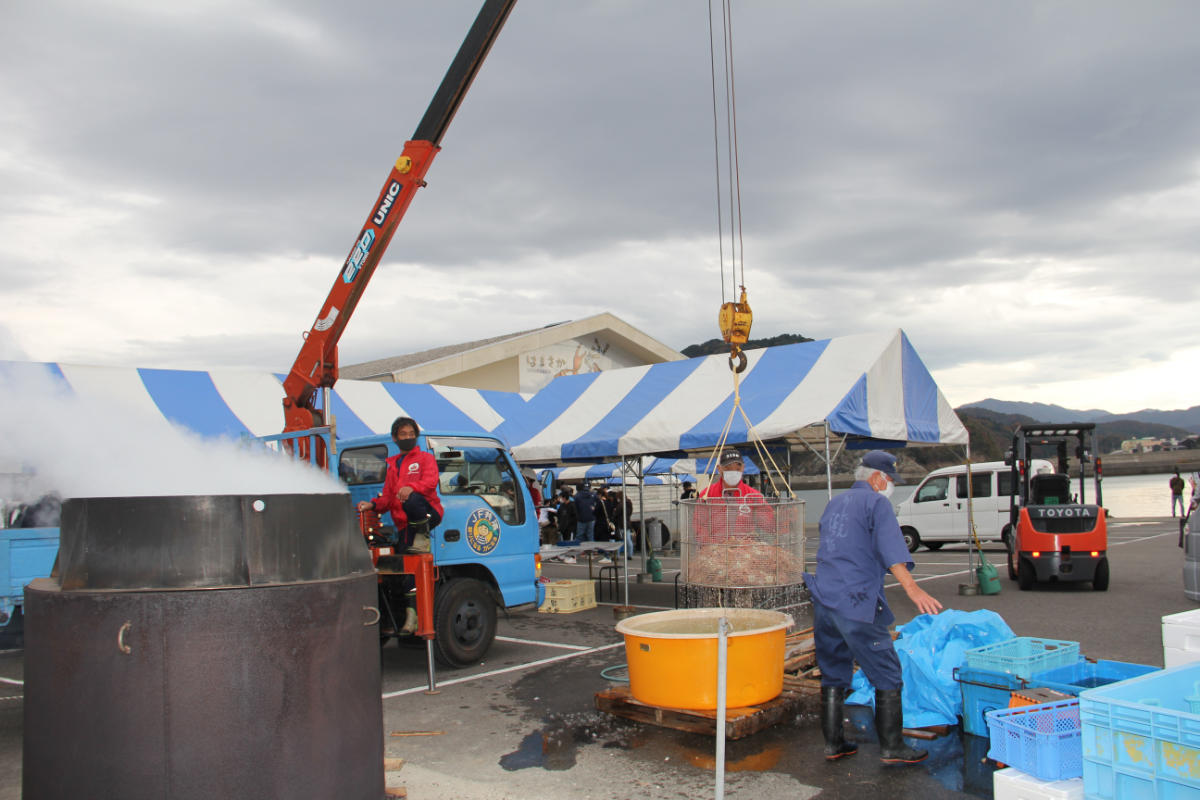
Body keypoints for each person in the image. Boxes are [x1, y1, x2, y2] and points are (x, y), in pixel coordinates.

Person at [803, 450, 943, 764]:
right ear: (877, 477)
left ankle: (834, 744)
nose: (890, 486)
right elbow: (891, 548)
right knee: (887, 671)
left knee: (834, 672)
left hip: (825, 601)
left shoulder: (834, 503)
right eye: (890, 479)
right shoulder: (877, 503)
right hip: (856, 603)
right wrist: (913, 589)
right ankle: (893, 748)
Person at [357, 416, 444, 635]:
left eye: (411, 434)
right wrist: (372, 505)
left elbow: (431, 482)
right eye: (403, 434)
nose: (407, 438)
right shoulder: (392, 465)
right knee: (407, 575)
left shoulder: (425, 458)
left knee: (411, 498)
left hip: (427, 513)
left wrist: (411, 487)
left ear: (416, 436)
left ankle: (423, 538)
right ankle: (410, 617)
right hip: (406, 527)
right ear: (395, 438)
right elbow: (387, 498)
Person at [693, 450, 774, 542]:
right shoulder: (707, 495)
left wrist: (784, 519)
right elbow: (698, 524)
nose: (733, 472)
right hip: (716, 550)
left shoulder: (753, 496)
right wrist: (711, 544)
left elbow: (769, 524)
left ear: (743, 468)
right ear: (719, 469)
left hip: (746, 550)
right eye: (728, 468)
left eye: (737, 469)